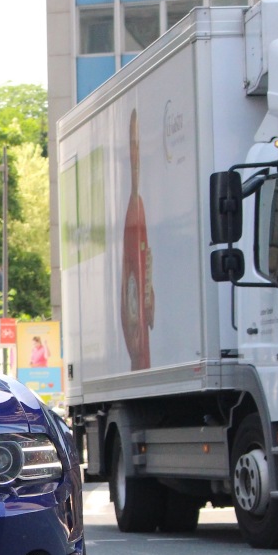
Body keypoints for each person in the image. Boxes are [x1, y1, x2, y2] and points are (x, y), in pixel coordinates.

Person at [121, 107, 155, 371]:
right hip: (139, 340)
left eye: (138, 146)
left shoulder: (140, 206)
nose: (136, 156)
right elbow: (128, 279)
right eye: (133, 145)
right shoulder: (132, 212)